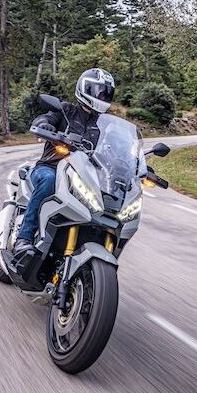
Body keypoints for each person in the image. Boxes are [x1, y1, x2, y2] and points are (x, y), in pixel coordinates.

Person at [14, 68, 116, 257]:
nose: (102, 96)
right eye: (98, 92)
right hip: (50, 167)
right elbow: (46, 118)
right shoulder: (66, 110)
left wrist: (134, 162)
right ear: (84, 89)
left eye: (106, 93)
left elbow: (116, 146)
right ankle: (24, 238)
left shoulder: (104, 125)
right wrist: (44, 124)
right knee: (49, 181)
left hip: (84, 178)